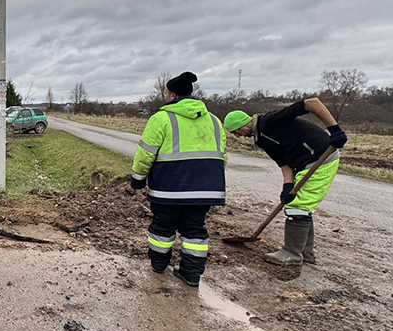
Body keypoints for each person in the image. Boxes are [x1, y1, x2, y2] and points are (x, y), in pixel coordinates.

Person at [223, 98, 347, 270]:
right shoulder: (261, 138)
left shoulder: (271, 121)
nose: (238, 136)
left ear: (241, 125)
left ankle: (292, 254)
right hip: (305, 164)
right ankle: (305, 252)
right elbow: (283, 163)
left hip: (321, 158)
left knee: (299, 207)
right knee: (299, 204)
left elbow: (312, 103)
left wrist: (334, 130)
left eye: (235, 132)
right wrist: (287, 186)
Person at [131, 72, 227, 288]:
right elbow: (223, 155)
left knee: (163, 228)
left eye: (165, 93)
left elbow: (146, 153)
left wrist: (137, 179)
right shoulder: (213, 120)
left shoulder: (161, 119)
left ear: (172, 95)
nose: (165, 96)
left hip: (168, 188)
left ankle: (158, 266)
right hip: (205, 190)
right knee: (195, 230)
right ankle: (191, 275)